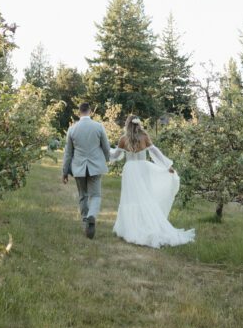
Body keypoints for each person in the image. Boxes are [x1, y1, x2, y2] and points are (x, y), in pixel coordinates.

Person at [109, 114, 195, 248]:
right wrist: (167, 165)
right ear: (138, 124)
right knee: (145, 197)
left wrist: (104, 151)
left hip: (130, 170)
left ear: (127, 124)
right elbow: (155, 152)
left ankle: (133, 228)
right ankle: (148, 225)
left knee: (131, 199)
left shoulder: (123, 139)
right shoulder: (144, 137)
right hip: (143, 169)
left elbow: (115, 155)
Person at [62, 102, 111, 239]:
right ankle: (92, 216)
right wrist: (107, 159)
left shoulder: (72, 129)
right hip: (95, 166)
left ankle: (85, 223)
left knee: (83, 195)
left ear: (79, 112)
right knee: (95, 195)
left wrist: (65, 171)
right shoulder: (98, 127)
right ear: (90, 111)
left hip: (78, 167)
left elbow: (68, 153)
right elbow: (106, 147)